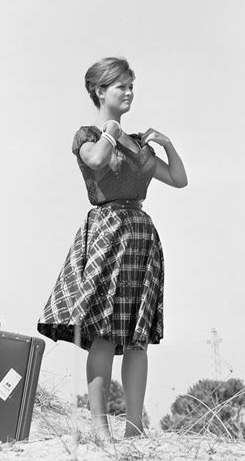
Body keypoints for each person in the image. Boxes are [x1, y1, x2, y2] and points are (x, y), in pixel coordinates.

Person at [37, 57, 188, 441]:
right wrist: (109, 132)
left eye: (132, 86)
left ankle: (134, 427)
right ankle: (100, 429)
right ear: (100, 91)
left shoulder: (138, 144)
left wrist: (166, 144)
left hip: (140, 234)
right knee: (103, 331)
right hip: (106, 231)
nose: (129, 92)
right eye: (121, 86)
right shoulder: (87, 134)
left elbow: (178, 179)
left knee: (138, 337)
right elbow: (97, 160)